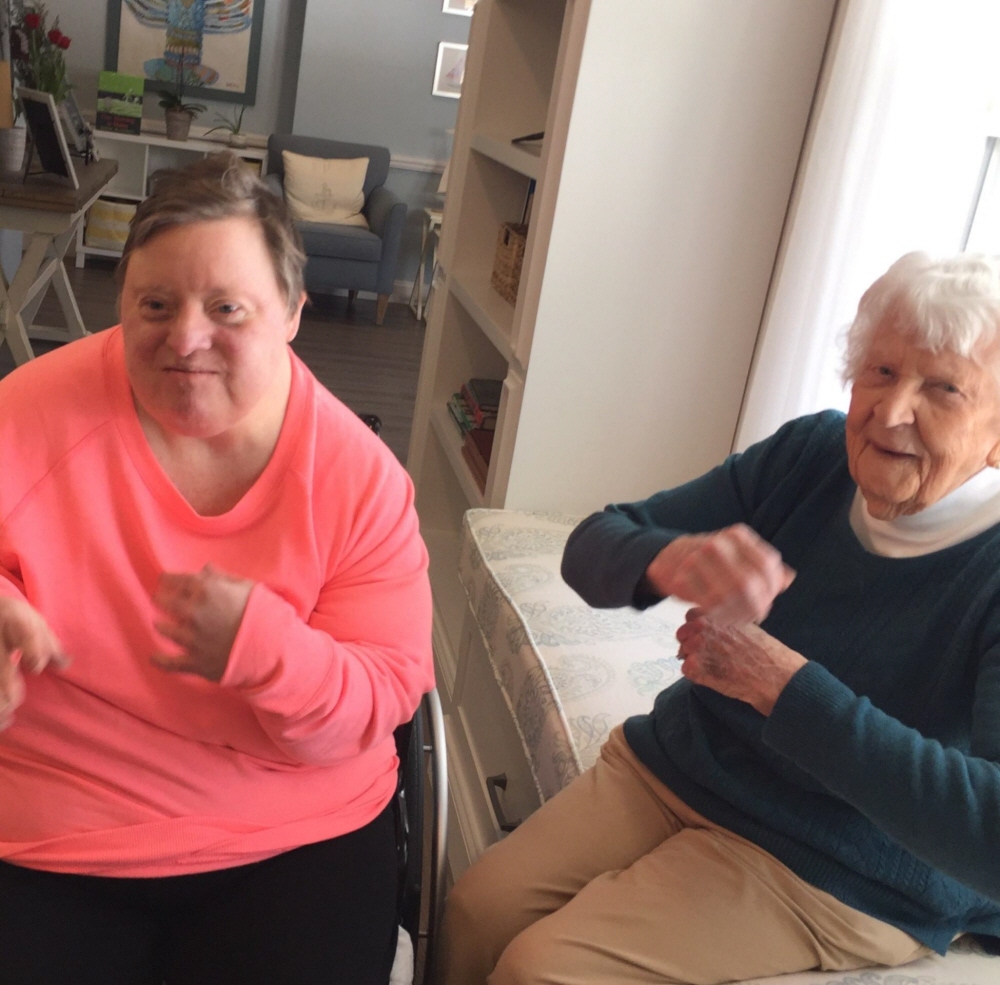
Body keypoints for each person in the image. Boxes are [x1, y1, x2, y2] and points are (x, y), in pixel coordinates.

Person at [439, 251, 1000, 985]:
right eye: (882, 371)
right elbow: (592, 544)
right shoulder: (811, 455)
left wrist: (785, 689)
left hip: (842, 865)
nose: (891, 412)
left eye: (943, 389)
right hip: (681, 765)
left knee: (541, 969)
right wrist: (669, 559)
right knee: (476, 907)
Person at [0, 153, 434, 985]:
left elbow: (383, 693)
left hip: (292, 835)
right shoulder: (28, 411)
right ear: (121, 302)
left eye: (226, 308)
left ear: (293, 312)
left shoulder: (358, 478)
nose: (185, 338)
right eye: (155, 305)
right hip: (55, 824)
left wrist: (270, 654)